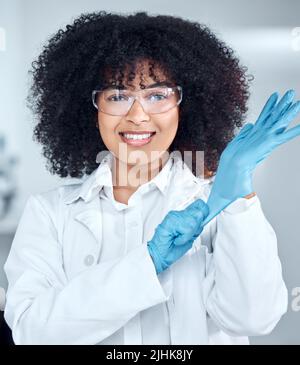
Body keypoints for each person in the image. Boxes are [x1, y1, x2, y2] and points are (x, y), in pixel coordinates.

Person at [3, 11, 300, 345]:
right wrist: (148, 263)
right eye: (117, 96)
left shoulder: (217, 204)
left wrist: (239, 199)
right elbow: (32, 331)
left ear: (183, 106)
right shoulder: (50, 213)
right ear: (92, 108)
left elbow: (254, 318)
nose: (137, 115)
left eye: (157, 95)